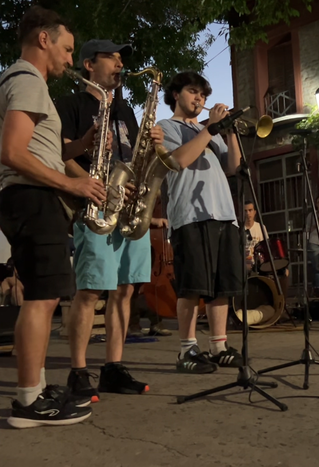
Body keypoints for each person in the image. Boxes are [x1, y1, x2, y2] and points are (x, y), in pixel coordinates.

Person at [0, 5, 105, 428]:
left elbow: (39, 151)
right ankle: (27, 403)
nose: (71, 59)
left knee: (40, 296)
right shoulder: (29, 82)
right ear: (44, 39)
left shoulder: (15, 81)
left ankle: (33, 389)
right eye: (68, 49)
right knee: (41, 300)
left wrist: (83, 144)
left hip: (26, 198)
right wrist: (72, 184)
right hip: (34, 198)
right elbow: (13, 154)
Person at [55, 39, 167, 398]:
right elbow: (59, 153)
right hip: (95, 205)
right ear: (89, 65)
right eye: (112, 58)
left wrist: (152, 147)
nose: (120, 64)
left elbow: (132, 158)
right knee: (89, 291)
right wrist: (88, 184)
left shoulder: (125, 110)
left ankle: (113, 368)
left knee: (125, 290)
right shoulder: (71, 104)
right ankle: (77, 371)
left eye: (122, 59)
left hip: (128, 206)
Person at [155, 71, 244, 373]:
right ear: (176, 95)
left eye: (203, 95)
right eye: (193, 92)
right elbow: (179, 160)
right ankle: (187, 349)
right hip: (190, 214)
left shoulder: (213, 133)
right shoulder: (165, 127)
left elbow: (233, 167)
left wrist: (229, 132)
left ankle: (218, 345)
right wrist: (210, 129)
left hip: (223, 213)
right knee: (192, 286)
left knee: (222, 287)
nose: (199, 99)